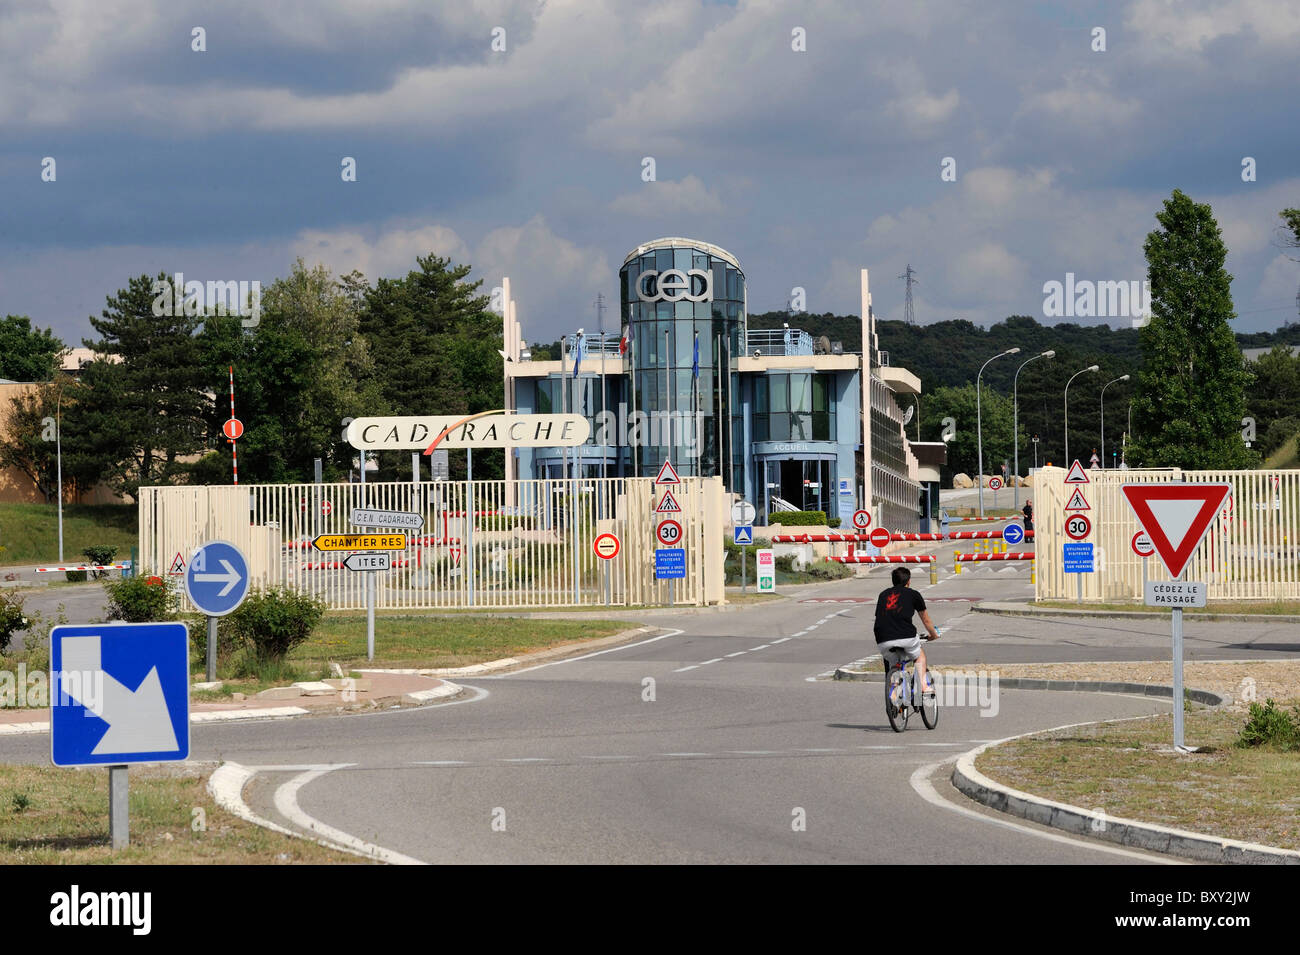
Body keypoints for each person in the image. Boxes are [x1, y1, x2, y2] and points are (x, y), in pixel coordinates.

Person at [875, 566, 939, 697]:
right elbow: (926, 621)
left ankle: (893, 696)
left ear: (893, 581)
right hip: (906, 636)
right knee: (920, 656)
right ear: (908, 581)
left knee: (893, 664)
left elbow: (880, 617)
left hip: (882, 638)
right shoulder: (913, 594)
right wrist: (933, 635)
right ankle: (923, 686)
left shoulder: (883, 595)